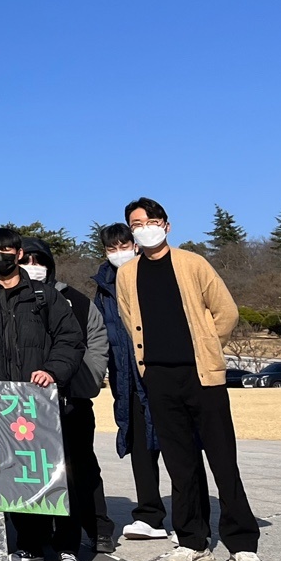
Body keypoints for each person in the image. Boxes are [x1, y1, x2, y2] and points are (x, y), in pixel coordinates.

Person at [115, 197, 266, 561]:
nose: (144, 228)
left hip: (203, 375)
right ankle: (193, 542)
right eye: (136, 224)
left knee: (222, 459)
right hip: (158, 377)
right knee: (180, 464)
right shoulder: (127, 274)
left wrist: (207, 345)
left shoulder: (192, 263)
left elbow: (226, 311)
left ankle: (242, 544)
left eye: (150, 221)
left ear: (166, 225)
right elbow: (129, 319)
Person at [0, 226, 85, 561]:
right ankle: (29, 541)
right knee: (15, 471)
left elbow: (70, 339)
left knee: (58, 471)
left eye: (7, 251)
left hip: (42, 400)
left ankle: (68, 545)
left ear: (18, 254)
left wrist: (53, 370)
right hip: (3, 403)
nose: (0, 257)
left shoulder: (46, 296)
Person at [93, 223, 203, 544]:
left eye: (123, 246)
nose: (119, 253)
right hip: (126, 379)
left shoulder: (155, 274)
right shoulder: (104, 287)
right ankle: (149, 515)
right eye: (111, 248)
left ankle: (189, 520)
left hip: (163, 373)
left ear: (136, 245)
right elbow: (101, 337)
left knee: (178, 447)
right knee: (141, 449)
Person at [20, 238, 109, 561]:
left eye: (39, 260)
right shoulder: (9, 300)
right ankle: (33, 537)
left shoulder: (77, 300)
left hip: (72, 400)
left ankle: (83, 534)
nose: (33, 266)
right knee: (30, 471)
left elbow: (97, 343)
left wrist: (87, 379)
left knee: (77, 470)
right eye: (26, 260)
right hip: (26, 405)